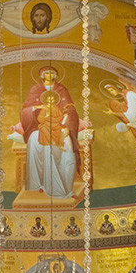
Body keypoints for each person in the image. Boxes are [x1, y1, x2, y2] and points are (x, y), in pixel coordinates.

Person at [19, 65, 80, 197]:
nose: (50, 75)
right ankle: (37, 185)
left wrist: (66, 120)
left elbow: (70, 109)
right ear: (42, 75)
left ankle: (66, 188)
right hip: (39, 127)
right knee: (35, 141)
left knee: (67, 148)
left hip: (60, 127)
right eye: (47, 73)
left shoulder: (61, 89)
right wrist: (37, 108)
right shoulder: (36, 89)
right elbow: (25, 111)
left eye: (52, 73)